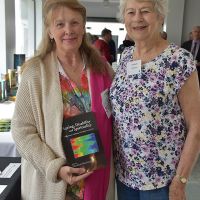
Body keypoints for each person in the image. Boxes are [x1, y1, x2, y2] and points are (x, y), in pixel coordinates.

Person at [11, 0, 115, 200]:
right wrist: (54, 167)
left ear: (83, 27)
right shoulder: (35, 73)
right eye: (60, 24)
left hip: (97, 176)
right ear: (50, 31)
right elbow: (21, 130)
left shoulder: (101, 68)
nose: (69, 30)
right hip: (55, 183)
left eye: (74, 23)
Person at [110, 0, 200, 200]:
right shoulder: (125, 58)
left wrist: (181, 179)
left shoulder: (179, 60)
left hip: (163, 181)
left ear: (160, 16)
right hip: (124, 177)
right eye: (130, 12)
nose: (137, 18)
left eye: (145, 11)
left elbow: (196, 126)